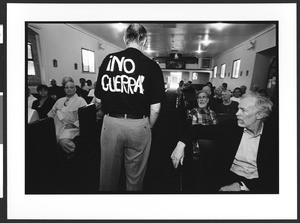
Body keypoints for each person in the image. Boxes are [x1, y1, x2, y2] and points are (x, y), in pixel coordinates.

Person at [95, 23, 165, 191]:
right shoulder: (152, 66)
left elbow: (98, 99)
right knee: (135, 178)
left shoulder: (108, 60)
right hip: (138, 125)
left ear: (125, 38)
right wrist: (149, 126)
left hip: (111, 123)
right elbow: (155, 108)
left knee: (107, 176)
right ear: (145, 40)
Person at [170, 92, 278, 193]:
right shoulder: (231, 127)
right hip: (229, 177)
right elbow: (197, 129)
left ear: (259, 115)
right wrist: (181, 144)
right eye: (238, 109)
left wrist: (242, 186)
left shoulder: (275, 136)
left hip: (260, 184)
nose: (237, 113)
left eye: (243, 110)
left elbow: (276, 176)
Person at [48, 80, 87, 154]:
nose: (68, 89)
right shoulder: (60, 100)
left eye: (71, 87)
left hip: (72, 126)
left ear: (75, 89)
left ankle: (75, 153)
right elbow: (51, 114)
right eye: (66, 87)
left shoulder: (81, 101)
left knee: (63, 141)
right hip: (58, 125)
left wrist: (73, 124)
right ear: (64, 89)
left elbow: (84, 118)